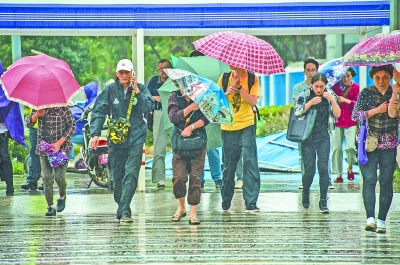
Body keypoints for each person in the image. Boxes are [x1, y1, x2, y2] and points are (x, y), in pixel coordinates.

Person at [90, 59, 154, 222]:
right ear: (117, 74)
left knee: (131, 173)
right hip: (116, 140)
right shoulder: (110, 90)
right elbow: (98, 111)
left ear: (133, 73)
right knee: (116, 177)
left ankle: (125, 210)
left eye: (128, 72)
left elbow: (148, 108)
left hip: (136, 137)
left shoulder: (142, 89)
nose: (124, 75)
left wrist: (137, 91)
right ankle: (122, 203)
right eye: (122, 73)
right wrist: (95, 134)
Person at [355, 64, 396, 234]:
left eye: (385, 77)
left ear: (391, 77)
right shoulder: (366, 92)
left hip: (389, 143)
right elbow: (355, 115)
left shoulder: (396, 93)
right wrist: (377, 110)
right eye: (377, 77)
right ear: (372, 77)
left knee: (386, 181)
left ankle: (381, 220)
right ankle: (370, 218)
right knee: (369, 180)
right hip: (369, 143)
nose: (381, 81)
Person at [295, 73, 341, 213]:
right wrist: (309, 103)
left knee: (323, 169)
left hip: (323, 136)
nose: (319, 90)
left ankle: (323, 200)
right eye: (316, 87)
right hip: (307, 137)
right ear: (312, 85)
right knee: (309, 170)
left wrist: (332, 100)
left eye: (322, 86)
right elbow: (297, 112)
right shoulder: (306, 93)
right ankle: (306, 192)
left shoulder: (329, 94)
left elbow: (338, 114)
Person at [217, 65, 261, 212]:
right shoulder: (223, 78)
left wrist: (240, 87)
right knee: (229, 166)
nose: (230, 62)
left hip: (247, 125)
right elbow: (216, 103)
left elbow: (253, 102)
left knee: (250, 162)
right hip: (228, 127)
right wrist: (226, 92)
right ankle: (226, 199)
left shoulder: (252, 78)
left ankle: (251, 202)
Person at [168, 81, 208, 225]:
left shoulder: (201, 97)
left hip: (198, 143)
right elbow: (173, 117)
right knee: (179, 178)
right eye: (181, 85)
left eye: (187, 86)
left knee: (196, 179)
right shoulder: (174, 97)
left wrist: (191, 127)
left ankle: (193, 213)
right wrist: (191, 107)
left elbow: (207, 118)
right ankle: (181, 208)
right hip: (180, 144)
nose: (184, 89)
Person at [26, 106, 75, 216]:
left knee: (59, 177)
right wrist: (37, 114)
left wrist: (59, 143)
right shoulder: (39, 107)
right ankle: (50, 206)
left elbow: (72, 127)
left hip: (61, 149)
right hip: (45, 149)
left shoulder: (64, 108)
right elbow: (28, 124)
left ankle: (62, 196)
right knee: (46, 177)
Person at [188, 49, 222, 191]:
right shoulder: (189, 77)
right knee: (197, 149)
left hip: (211, 114)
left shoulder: (212, 75)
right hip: (195, 116)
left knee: (212, 148)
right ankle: (198, 179)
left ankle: (217, 178)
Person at [0, 61, 26, 195]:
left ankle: (9, 187)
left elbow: (9, 104)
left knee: (4, 156)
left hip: (2, 130)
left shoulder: (5, 87)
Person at [331, 67, 359, 183]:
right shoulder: (334, 87)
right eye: (344, 76)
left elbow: (358, 104)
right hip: (337, 121)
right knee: (336, 149)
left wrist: (346, 100)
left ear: (352, 75)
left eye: (348, 75)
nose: (346, 78)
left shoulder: (356, 87)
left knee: (351, 147)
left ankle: (350, 167)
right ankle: (338, 174)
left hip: (350, 121)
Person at [147, 59, 172, 190]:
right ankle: (160, 179)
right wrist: (154, 98)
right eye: (159, 69)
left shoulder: (175, 80)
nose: (161, 71)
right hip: (159, 113)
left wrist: (162, 99)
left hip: (174, 114)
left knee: (179, 147)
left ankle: (179, 177)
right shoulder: (153, 81)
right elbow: (145, 96)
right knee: (159, 147)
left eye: (164, 68)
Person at [69, 81, 98, 161]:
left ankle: (70, 160)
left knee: (67, 137)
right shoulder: (93, 101)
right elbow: (82, 108)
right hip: (91, 133)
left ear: (89, 92)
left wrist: (71, 113)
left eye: (85, 92)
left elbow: (83, 112)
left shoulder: (93, 103)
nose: (84, 94)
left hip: (89, 134)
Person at [21, 107, 42, 191]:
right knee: (33, 154)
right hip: (34, 128)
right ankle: (32, 181)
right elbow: (28, 120)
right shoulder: (34, 97)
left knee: (48, 155)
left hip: (49, 129)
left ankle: (47, 181)